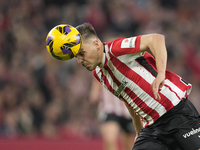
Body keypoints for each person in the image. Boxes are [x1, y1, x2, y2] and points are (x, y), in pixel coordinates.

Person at [74, 22, 200, 150]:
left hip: (177, 113)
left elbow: (156, 39)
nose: (79, 60)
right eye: (76, 56)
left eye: (82, 53)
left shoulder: (114, 49)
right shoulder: (99, 73)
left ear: (96, 44)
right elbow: (129, 99)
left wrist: (161, 74)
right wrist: (139, 131)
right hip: (152, 128)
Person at [90, 77, 135, 150]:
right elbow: (97, 76)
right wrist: (95, 90)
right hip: (109, 108)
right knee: (110, 139)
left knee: (128, 143)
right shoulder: (101, 66)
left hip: (127, 110)